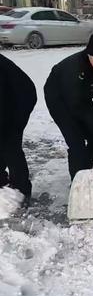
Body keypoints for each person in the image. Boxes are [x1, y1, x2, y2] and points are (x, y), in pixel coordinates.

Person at [44, 29, 93, 180]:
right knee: (76, 143)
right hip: (59, 100)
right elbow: (77, 103)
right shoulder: (76, 69)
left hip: (81, 98)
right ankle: (78, 182)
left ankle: (89, 172)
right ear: (88, 54)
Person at [0, 54, 37, 200]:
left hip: (20, 99)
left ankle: (21, 190)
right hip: (8, 97)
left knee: (10, 144)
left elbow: (3, 103)